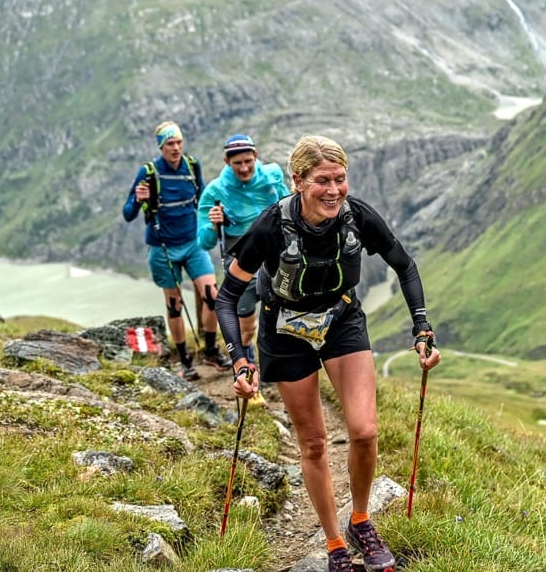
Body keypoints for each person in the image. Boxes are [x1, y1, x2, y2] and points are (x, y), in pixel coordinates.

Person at [212, 135, 440, 572]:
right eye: (322, 181)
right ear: (297, 181)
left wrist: (421, 326)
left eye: (340, 179)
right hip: (284, 332)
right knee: (314, 443)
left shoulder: (358, 216)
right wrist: (239, 359)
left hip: (341, 320)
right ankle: (335, 546)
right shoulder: (271, 226)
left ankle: (360, 521)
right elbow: (227, 297)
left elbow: (405, 265)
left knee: (365, 430)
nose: (334, 190)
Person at [122, 121, 232, 380]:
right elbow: (128, 214)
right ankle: (184, 361)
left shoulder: (192, 167)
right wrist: (138, 200)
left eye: (179, 142)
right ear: (161, 146)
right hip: (162, 249)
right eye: (170, 144)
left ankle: (210, 350)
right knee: (174, 306)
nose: (175, 148)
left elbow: (203, 198)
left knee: (213, 297)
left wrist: (216, 214)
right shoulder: (148, 173)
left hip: (193, 244)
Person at [197, 133, 289, 371]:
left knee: (281, 319)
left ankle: (279, 368)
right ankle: (246, 366)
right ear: (227, 162)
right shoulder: (215, 191)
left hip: (275, 257)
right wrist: (213, 224)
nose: (244, 167)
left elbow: (290, 210)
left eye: (248, 160)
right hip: (241, 262)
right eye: (237, 163)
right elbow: (205, 242)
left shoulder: (272, 175)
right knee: (247, 326)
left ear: (256, 156)